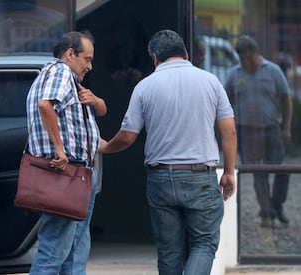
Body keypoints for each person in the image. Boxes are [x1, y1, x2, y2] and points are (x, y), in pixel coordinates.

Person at [100, 29, 237, 275]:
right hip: (200, 178)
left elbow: (128, 136)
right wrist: (228, 172)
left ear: (154, 58)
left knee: (168, 251)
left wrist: (105, 147)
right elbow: (229, 132)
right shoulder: (210, 81)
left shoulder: (144, 86)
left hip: (160, 179)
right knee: (204, 244)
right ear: (185, 53)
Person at [26, 31, 107, 274]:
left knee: (74, 247)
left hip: (78, 173)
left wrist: (95, 101)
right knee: (55, 250)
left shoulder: (69, 80)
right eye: (87, 59)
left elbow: (100, 111)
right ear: (70, 54)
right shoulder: (60, 71)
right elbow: (45, 105)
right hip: (66, 173)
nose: (90, 66)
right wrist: (59, 150)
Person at [224, 35, 293, 228]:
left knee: (281, 171)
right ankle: (267, 212)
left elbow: (286, 99)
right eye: (242, 58)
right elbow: (225, 100)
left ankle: (276, 205)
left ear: (256, 53)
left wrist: (286, 128)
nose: (246, 62)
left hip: (272, 129)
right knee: (257, 173)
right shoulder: (234, 74)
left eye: (249, 57)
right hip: (247, 131)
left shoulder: (273, 71)